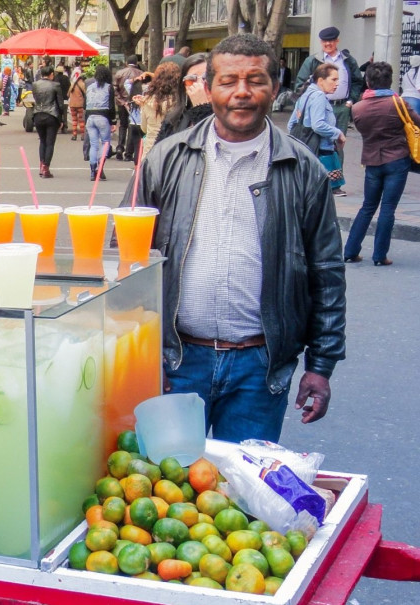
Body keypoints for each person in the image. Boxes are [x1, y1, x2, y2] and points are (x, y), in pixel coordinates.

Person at [126, 33, 345, 443]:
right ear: (208, 89)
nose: (242, 92)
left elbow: (327, 273)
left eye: (256, 80)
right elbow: (129, 260)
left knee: (239, 499)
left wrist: (321, 365)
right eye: (228, 81)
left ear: (275, 88)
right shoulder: (165, 159)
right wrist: (136, 354)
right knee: (163, 492)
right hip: (174, 361)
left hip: (259, 369)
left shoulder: (304, 169)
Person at [343, 62, 420, 267]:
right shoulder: (399, 104)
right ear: (390, 80)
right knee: (388, 208)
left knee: (367, 206)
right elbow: (417, 122)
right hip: (397, 160)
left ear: (368, 81)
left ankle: (350, 250)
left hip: (371, 161)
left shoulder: (358, 108)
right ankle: (380, 255)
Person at [295, 27, 363, 190]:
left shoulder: (348, 60)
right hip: (317, 107)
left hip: (340, 107)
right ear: (321, 42)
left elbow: (357, 81)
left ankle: (335, 183)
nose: (328, 44)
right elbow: (300, 84)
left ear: (337, 41)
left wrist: (350, 101)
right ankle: (316, 181)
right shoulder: (313, 61)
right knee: (316, 143)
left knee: (337, 144)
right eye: (325, 41)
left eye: (331, 41)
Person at [288, 64, 347, 195]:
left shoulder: (304, 95)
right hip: (321, 151)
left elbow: (291, 125)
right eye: (333, 79)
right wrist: (338, 133)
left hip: (306, 150)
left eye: (338, 80)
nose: (337, 83)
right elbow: (318, 125)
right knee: (322, 194)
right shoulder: (319, 96)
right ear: (320, 80)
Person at [156, 53, 212, 145]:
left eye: (206, 78)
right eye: (191, 80)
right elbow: (158, 153)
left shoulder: (227, 118)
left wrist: (202, 109)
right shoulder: (174, 119)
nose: (199, 85)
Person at [139, 62, 181, 157]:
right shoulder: (180, 102)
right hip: (172, 151)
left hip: (150, 151)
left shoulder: (147, 100)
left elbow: (144, 128)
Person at [84, 65, 117, 181]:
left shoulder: (89, 87)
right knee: (105, 142)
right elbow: (112, 106)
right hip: (103, 116)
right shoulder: (109, 87)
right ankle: (100, 167)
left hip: (90, 117)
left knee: (93, 144)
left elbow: (85, 104)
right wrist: (113, 121)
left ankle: (93, 170)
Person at [30, 67, 64, 178]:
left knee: (42, 141)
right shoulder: (55, 85)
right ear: (51, 74)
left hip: (38, 114)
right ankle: (46, 167)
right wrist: (62, 119)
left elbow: (36, 98)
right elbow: (60, 104)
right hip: (51, 115)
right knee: (50, 143)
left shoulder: (35, 85)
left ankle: (41, 165)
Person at [113, 55, 143, 160]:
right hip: (135, 103)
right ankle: (129, 153)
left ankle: (120, 147)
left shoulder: (120, 73)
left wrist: (121, 101)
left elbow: (115, 89)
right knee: (132, 125)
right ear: (137, 63)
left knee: (122, 124)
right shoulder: (141, 74)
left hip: (122, 102)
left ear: (126, 62)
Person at [68, 69, 86, 141]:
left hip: (72, 104)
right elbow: (86, 93)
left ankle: (74, 135)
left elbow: (68, 94)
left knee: (74, 120)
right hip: (80, 104)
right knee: (81, 120)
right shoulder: (82, 84)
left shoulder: (72, 84)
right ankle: (82, 135)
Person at [54, 65, 71, 133]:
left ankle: (58, 126)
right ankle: (65, 127)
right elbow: (69, 87)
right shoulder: (66, 78)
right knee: (65, 112)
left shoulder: (55, 79)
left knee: (57, 112)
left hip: (57, 98)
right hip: (65, 98)